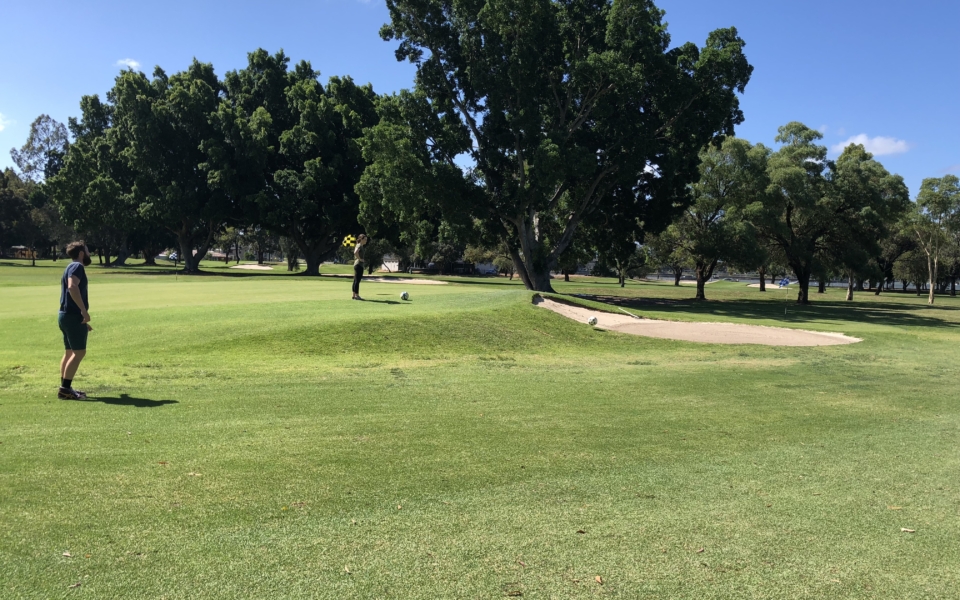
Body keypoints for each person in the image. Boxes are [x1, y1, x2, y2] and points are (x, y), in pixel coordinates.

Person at [58, 241, 93, 400]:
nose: (89, 253)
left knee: (69, 352)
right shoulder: (77, 267)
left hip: (66, 315)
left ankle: (65, 387)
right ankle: (65, 389)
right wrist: (83, 312)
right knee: (79, 352)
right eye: (87, 250)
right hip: (72, 316)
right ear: (81, 253)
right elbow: (72, 287)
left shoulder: (70, 267)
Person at [352, 234, 369, 300]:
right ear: (361, 239)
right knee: (357, 280)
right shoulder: (359, 245)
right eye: (365, 239)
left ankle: (354, 295)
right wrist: (360, 259)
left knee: (355, 280)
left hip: (357, 265)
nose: (366, 241)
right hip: (359, 264)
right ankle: (357, 295)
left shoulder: (360, 245)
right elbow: (355, 252)